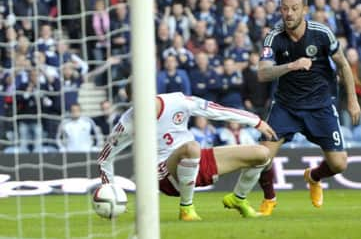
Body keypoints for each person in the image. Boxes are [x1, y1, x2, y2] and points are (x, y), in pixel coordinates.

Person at [227, 0, 361, 217]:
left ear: (305, 11)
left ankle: (314, 177)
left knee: (339, 164)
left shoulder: (322, 33)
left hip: (320, 106)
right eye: (284, 8)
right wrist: (291, 65)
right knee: (262, 156)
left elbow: (343, 64)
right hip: (286, 107)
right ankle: (269, 197)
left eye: (294, 9)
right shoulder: (274, 37)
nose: (288, 13)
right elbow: (262, 73)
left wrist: (352, 100)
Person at [97, 91, 276, 221]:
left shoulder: (178, 101)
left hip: (195, 161)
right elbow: (105, 157)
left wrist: (256, 121)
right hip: (164, 174)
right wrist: (109, 190)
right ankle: (186, 208)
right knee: (191, 147)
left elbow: (216, 110)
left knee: (262, 154)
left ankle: (238, 199)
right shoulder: (128, 122)